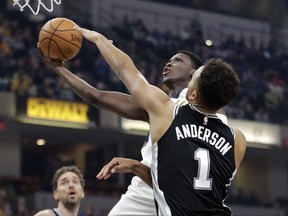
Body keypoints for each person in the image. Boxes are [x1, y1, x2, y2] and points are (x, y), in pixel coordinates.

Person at [74, 25, 247, 216]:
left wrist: (98, 38)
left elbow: (125, 69)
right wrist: (136, 166)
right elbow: (188, 185)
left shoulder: (168, 112)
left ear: (193, 95)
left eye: (193, 79)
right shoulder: (237, 140)